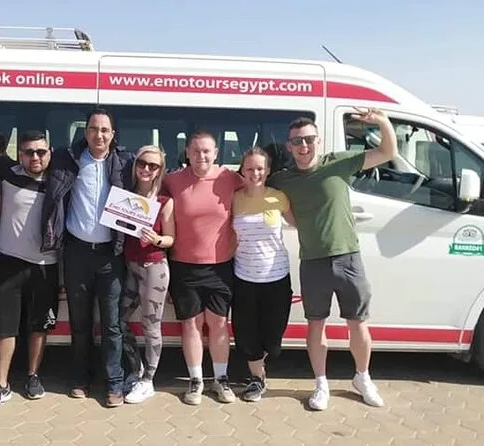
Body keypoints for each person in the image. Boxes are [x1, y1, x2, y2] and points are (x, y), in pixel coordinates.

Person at [268, 108, 398, 411]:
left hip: (348, 257)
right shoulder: (282, 180)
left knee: (358, 323)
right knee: (316, 324)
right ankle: (321, 384)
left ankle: (362, 378)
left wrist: (382, 122)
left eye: (309, 140)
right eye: (297, 141)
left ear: (318, 140)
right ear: (289, 146)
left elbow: (387, 152)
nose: (303, 146)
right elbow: (253, 182)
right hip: (313, 262)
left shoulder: (339, 163)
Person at [41, 107, 134, 407]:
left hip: (111, 255)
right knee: (80, 323)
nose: (99, 135)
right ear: (85, 132)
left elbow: (154, 175)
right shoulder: (67, 159)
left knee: (112, 325)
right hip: (77, 253)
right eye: (94, 129)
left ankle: (114, 382)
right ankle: (80, 377)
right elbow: (21, 160)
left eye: (105, 130)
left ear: (113, 134)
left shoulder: (125, 163)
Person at [0, 131, 60, 410]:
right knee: (4, 327)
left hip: (46, 265)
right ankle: (1, 385)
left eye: (41, 152)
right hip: (10, 262)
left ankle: (33, 376)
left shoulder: (61, 180)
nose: (35, 157)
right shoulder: (9, 171)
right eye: (28, 152)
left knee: (39, 326)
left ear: (50, 153)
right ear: (19, 155)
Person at [162, 129, 244, 405]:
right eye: (196, 151)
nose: (201, 156)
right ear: (187, 152)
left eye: (207, 151)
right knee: (191, 324)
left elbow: (256, 188)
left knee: (219, 323)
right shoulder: (173, 180)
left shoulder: (229, 178)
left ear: (216, 153)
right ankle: (196, 381)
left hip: (221, 266)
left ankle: (221, 379)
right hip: (184, 265)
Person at [231, 146, 295, 403]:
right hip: (244, 277)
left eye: (260, 168)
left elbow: (300, 222)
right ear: (242, 171)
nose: (255, 173)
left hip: (276, 277)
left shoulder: (279, 197)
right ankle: (257, 378)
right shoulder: (234, 198)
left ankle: (262, 362)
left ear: (268, 171)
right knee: (247, 334)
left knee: (273, 338)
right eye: (249, 168)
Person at [119, 145, 175, 404]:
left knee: (151, 325)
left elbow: (171, 238)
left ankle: (148, 381)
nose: (146, 169)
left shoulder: (164, 201)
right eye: (142, 163)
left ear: (160, 170)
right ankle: (136, 369)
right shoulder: (124, 196)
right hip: (130, 266)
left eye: (153, 166)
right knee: (118, 320)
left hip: (154, 267)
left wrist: (158, 239)